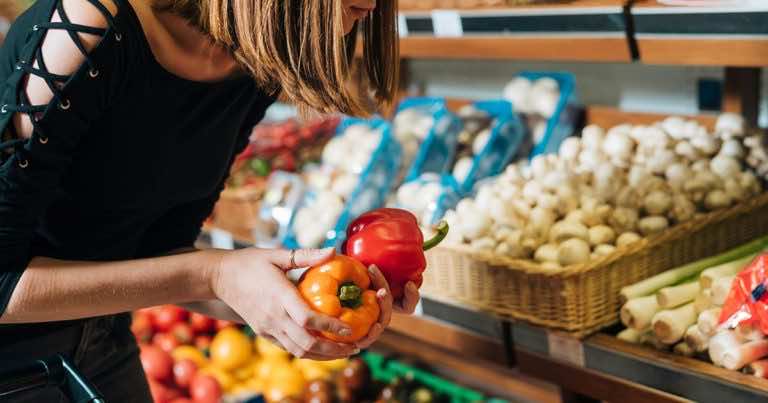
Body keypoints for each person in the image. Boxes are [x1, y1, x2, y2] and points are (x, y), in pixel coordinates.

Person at [0, 0, 415, 401]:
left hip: (103, 344)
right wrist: (213, 273)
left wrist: (301, 300)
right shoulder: (87, 26)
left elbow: (160, 254)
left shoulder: (248, 63)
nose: (374, 5)